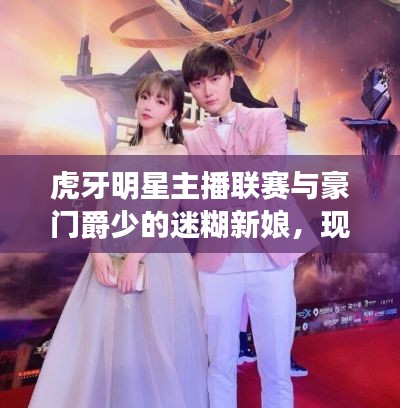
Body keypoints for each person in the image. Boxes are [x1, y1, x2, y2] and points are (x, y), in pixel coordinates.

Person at [29, 72, 208, 408]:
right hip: (108, 251)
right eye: (145, 97)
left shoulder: (176, 152)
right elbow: (104, 203)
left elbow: (166, 213)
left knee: (151, 345)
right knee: (99, 343)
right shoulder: (119, 150)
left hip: (157, 257)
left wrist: (134, 258)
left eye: (160, 101)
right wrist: (97, 251)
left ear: (172, 113)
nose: (148, 105)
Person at [182, 42, 317, 408]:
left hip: (271, 256)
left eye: (214, 79)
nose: (207, 90)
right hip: (217, 261)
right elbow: (194, 198)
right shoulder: (192, 140)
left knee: (276, 367)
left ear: (230, 78)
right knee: (219, 364)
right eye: (197, 83)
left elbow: (271, 171)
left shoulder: (268, 119)